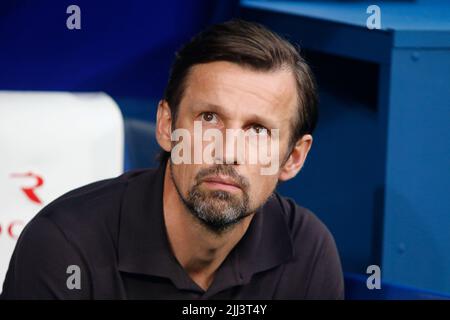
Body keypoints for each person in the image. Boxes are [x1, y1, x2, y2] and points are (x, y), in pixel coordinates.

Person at [1, 19, 344, 299]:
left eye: (257, 130)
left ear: (293, 158)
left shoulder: (306, 251)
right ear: (166, 126)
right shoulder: (63, 246)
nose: (227, 152)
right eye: (208, 118)